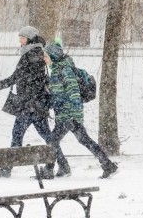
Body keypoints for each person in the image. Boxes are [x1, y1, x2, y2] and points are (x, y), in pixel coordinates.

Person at [0, 25, 63, 177]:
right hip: (37, 105)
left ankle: (7, 169)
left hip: (29, 106)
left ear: (30, 39)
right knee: (48, 137)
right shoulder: (37, 53)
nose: (20, 40)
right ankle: (64, 165)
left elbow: (15, 78)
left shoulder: (30, 56)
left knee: (17, 135)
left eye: (22, 38)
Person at [43, 42, 118, 179]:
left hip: (68, 115)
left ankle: (49, 171)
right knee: (84, 140)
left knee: (52, 142)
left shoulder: (64, 70)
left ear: (53, 56)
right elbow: (60, 94)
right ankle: (108, 165)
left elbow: (74, 93)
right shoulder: (56, 70)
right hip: (66, 115)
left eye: (46, 56)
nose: (44, 58)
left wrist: (73, 115)